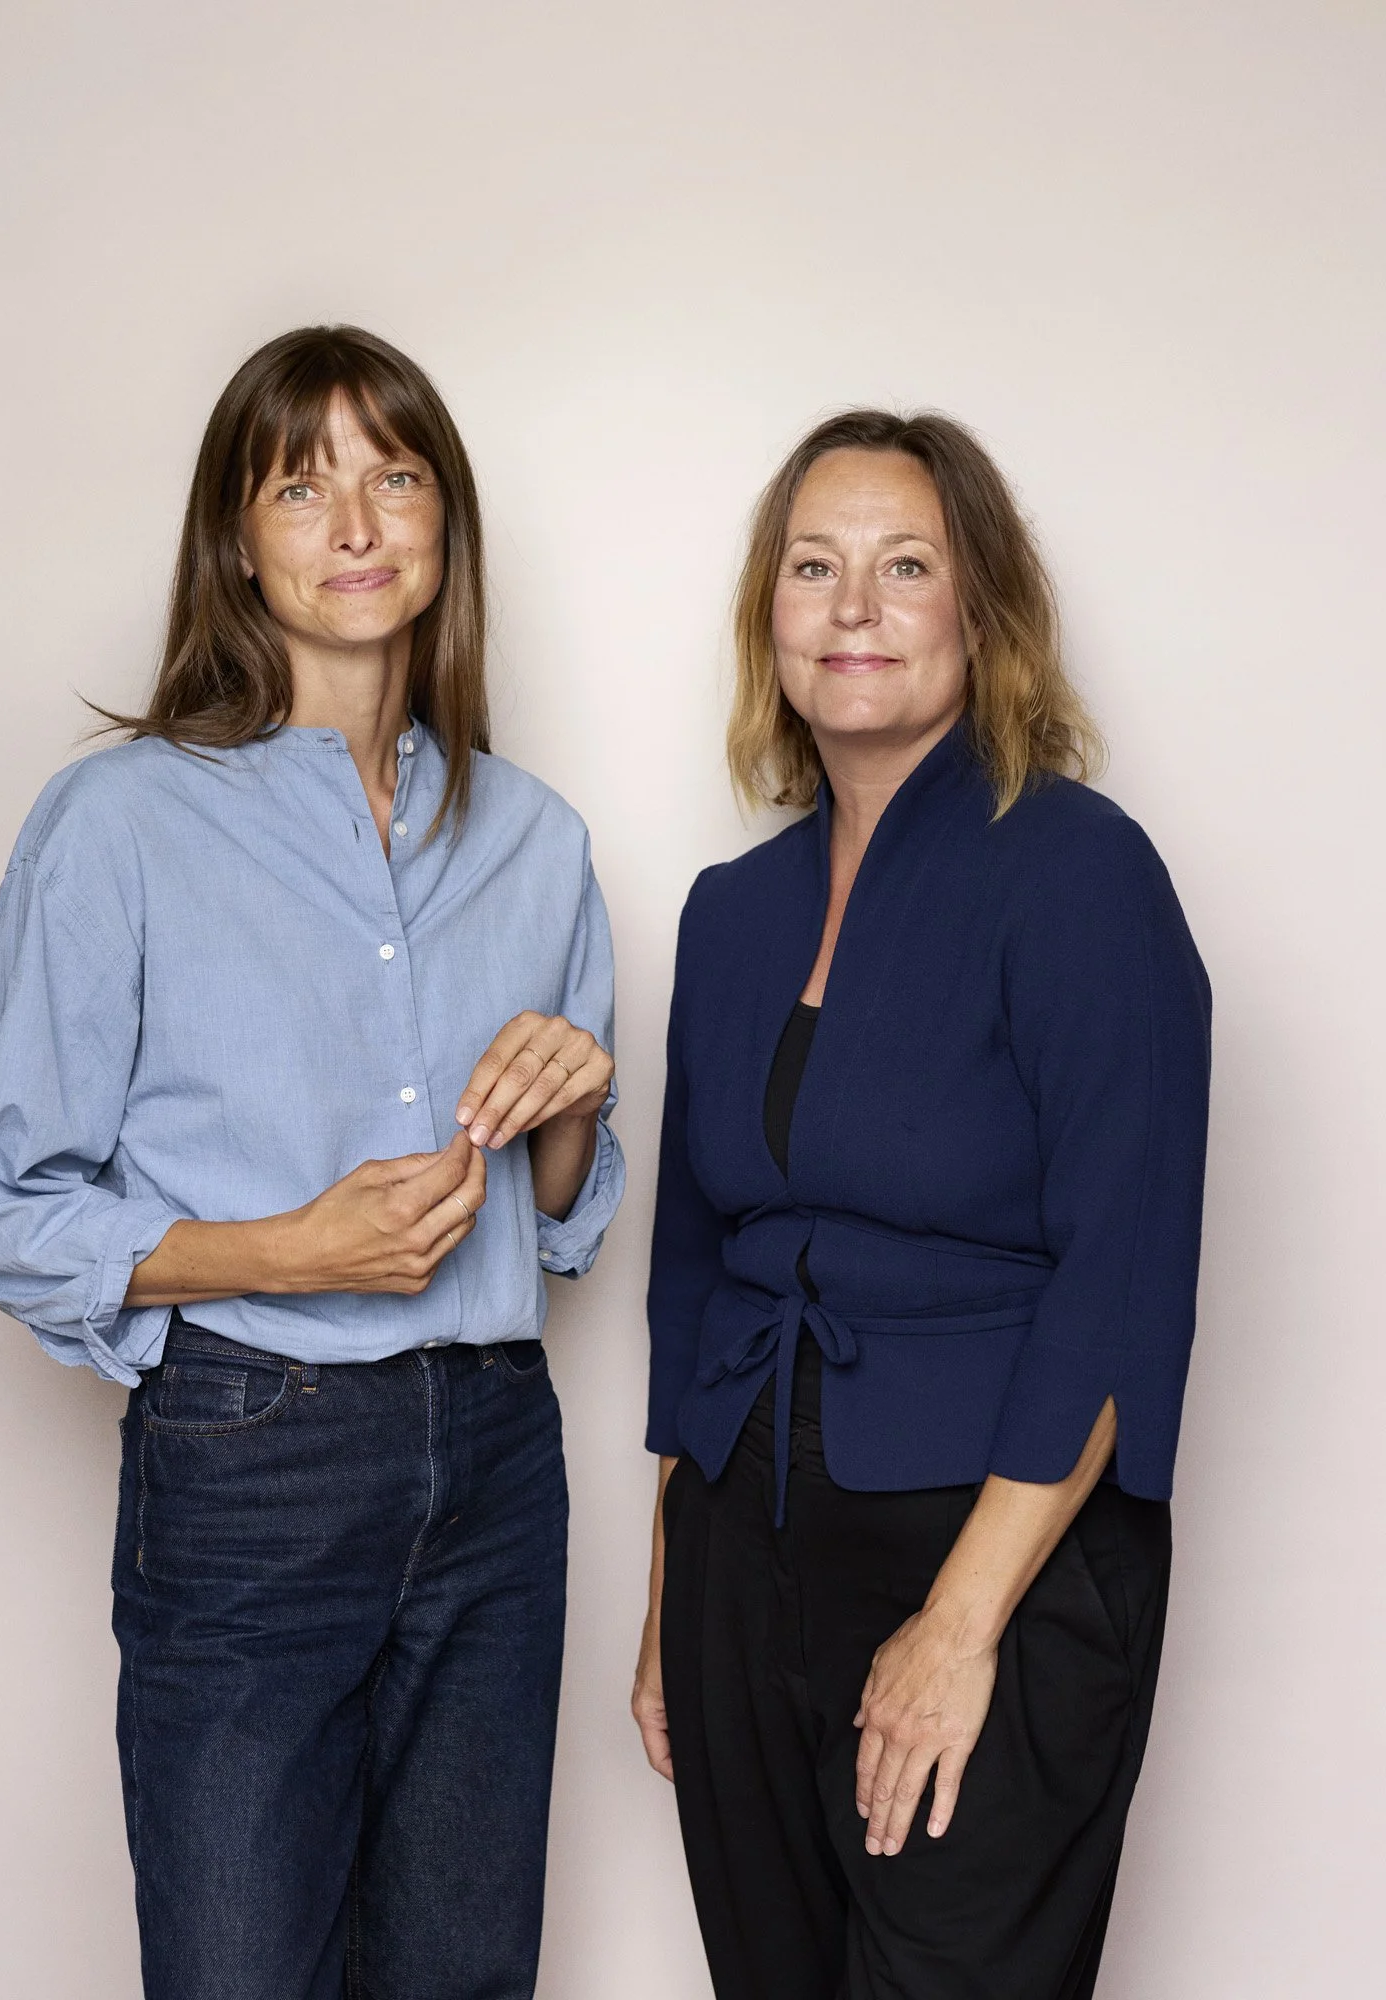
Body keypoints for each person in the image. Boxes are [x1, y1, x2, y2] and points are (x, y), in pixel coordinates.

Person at [0, 325, 624, 2000]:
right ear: (237, 538)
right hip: (252, 1456)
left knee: (464, 1975)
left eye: (394, 475)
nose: (356, 522)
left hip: (496, 1456)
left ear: (447, 523)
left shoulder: (536, 841)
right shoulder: (120, 824)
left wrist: (576, 1111)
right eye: (300, 484)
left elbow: (568, 1225)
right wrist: (280, 1252)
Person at [631, 410, 1210, 2000]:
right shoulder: (733, 913)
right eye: (814, 568)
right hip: (747, 1557)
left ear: (984, 611)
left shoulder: (1080, 873)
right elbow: (696, 1271)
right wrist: (676, 1593)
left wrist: (959, 1630)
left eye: (905, 565)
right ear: (772, 615)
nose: (854, 606)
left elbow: (1122, 1275)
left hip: (993, 1554)